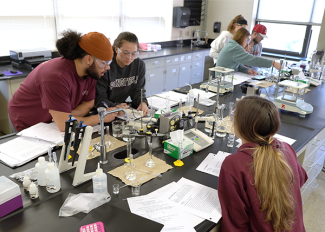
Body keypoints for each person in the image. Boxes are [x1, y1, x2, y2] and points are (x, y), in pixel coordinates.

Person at [218, 96, 307, 232]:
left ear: (241, 125)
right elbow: (299, 180)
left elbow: (235, 224)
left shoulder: (233, 165)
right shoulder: (286, 148)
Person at [8, 30, 117, 132]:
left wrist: (67, 116)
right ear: (88, 59)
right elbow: (64, 125)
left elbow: (88, 104)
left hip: (54, 122)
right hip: (28, 118)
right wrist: (101, 117)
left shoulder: (92, 72)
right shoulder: (56, 77)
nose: (107, 68)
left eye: (109, 63)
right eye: (104, 63)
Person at [95, 32, 148, 115]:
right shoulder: (106, 65)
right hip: (104, 111)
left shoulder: (139, 65)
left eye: (134, 53)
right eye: (126, 53)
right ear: (116, 49)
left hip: (122, 109)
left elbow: (138, 92)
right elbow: (99, 99)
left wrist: (142, 103)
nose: (129, 57)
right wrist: (115, 106)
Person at [216, 27, 281, 75]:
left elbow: (236, 65)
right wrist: (273, 63)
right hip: (223, 81)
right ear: (242, 37)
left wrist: (246, 70)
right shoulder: (235, 47)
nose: (247, 43)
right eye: (247, 40)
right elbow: (252, 60)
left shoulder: (233, 45)